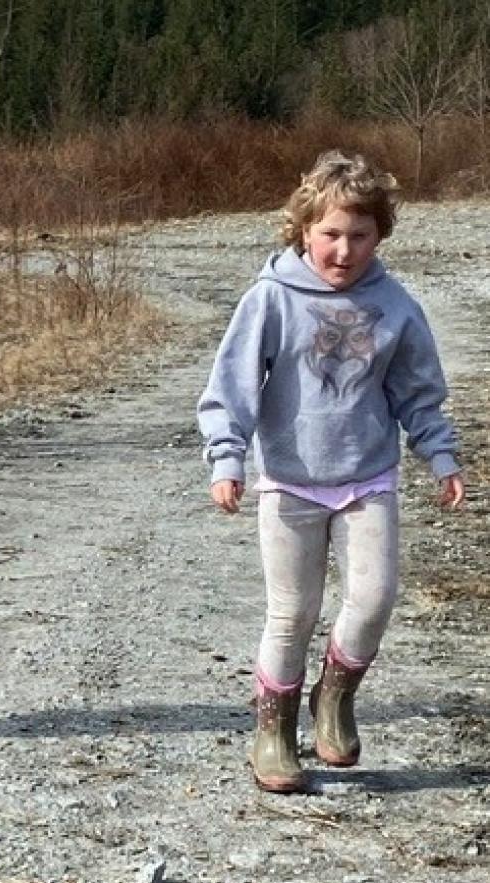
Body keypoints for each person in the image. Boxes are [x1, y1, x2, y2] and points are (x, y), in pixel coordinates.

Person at [197, 150, 465, 793]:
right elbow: (230, 389)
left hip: (367, 476)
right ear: (304, 230)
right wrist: (226, 455)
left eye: (360, 236)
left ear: (381, 235)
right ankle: (273, 732)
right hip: (289, 480)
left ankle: (334, 699)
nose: (344, 251)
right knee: (291, 612)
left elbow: (417, 393)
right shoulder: (270, 298)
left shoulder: (395, 305)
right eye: (331, 235)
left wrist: (440, 452)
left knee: (372, 600)